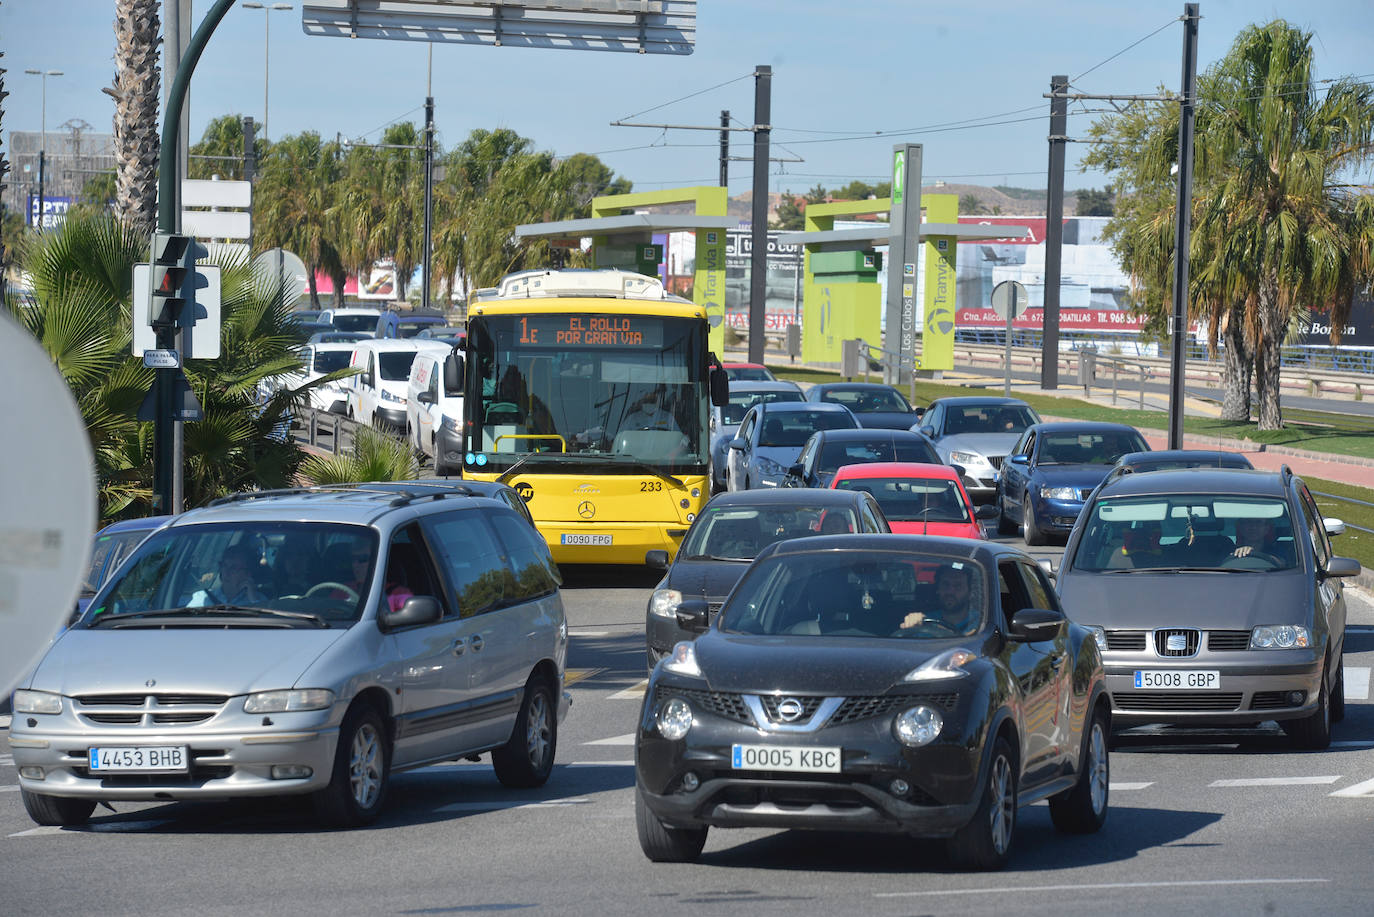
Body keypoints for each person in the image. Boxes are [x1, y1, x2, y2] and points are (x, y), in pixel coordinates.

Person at [898, 563, 980, 634]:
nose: (950, 592)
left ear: (970, 592)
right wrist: (911, 623)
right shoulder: (924, 620)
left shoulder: (981, 623)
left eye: (958, 586)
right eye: (945, 584)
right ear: (938, 589)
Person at [190, 543, 267, 606]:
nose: (227, 571)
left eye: (233, 568)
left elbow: (264, 620)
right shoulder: (202, 597)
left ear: (247, 574)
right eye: (224, 565)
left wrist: (253, 600)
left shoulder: (258, 600)